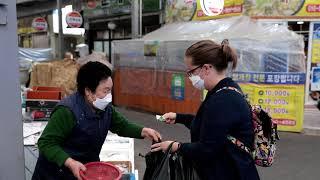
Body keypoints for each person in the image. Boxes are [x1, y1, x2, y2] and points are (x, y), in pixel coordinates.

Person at [32, 61, 162, 180]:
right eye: (105, 91)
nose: (109, 96)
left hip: (85, 170)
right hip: (55, 174)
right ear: (88, 91)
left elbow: (122, 126)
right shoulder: (67, 111)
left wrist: (144, 131)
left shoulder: (105, 108)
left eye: (110, 90)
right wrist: (70, 162)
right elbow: (46, 143)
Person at [151, 40, 260, 180]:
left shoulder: (224, 99)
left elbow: (207, 148)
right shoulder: (223, 90)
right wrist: (179, 117)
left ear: (206, 68)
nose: (190, 77)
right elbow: (209, 126)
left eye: (191, 71)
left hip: (231, 173)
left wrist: (176, 146)